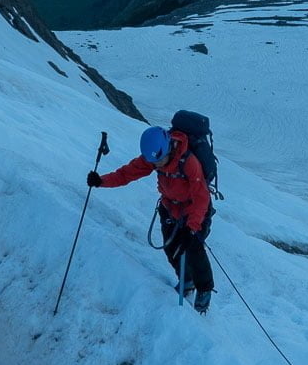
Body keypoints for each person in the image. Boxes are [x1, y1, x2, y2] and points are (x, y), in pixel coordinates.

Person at [88, 124, 215, 313]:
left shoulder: (189, 162)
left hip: (195, 210)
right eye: (153, 162)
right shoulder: (154, 156)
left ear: (168, 148)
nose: (156, 165)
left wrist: (192, 228)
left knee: (193, 249)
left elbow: (201, 197)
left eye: (159, 161)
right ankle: (186, 280)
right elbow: (127, 173)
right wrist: (101, 181)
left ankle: (204, 290)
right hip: (170, 208)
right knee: (171, 248)